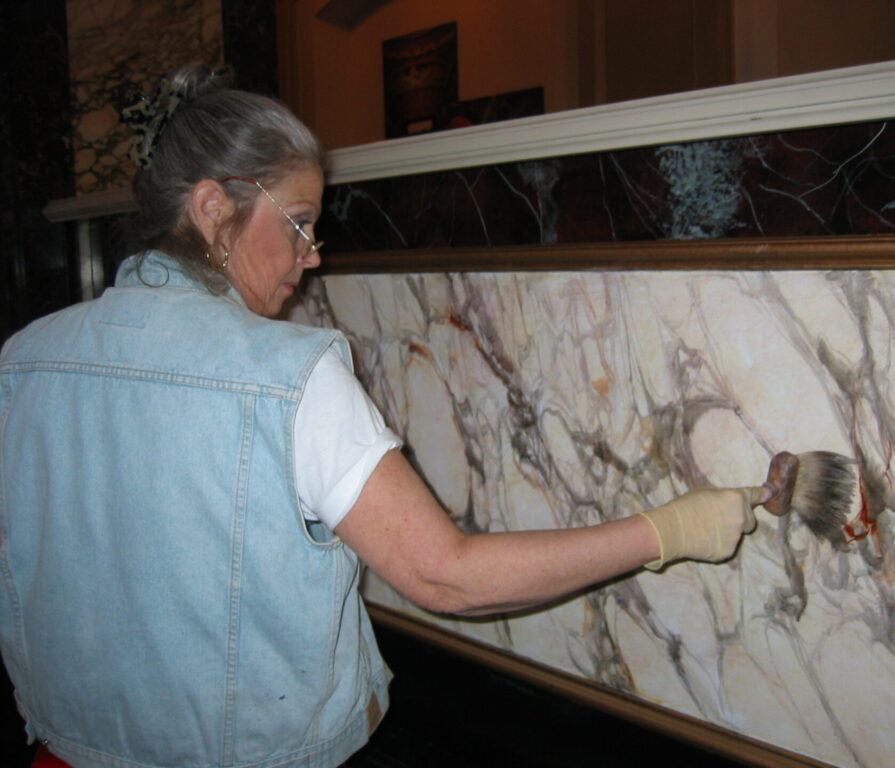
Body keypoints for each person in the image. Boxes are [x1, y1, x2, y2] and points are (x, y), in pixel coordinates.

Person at [0, 66, 764, 768]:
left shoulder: (21, 361)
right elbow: (447, 578)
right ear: (212, 208)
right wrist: (670, 531)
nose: (313, 256)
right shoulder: (287, 375)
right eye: (299, 221)